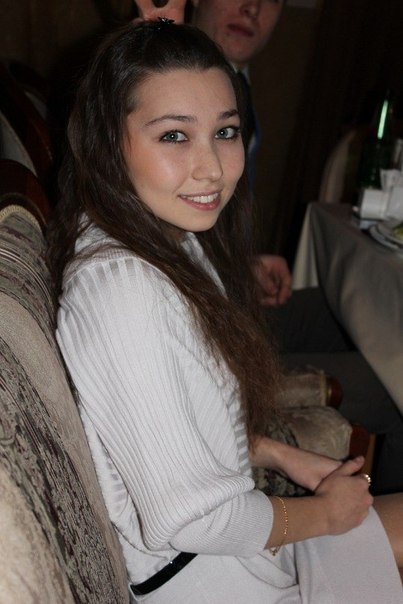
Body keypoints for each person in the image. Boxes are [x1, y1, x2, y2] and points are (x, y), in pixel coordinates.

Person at [47, 19, 403, 602]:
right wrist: (325, 514)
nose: (212, 167)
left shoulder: (163, 238)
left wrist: (284, 456)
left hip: (235, 547)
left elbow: (185, 422)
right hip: (211, 579)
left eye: (226, 131)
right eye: (174, 136)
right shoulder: (124, 290)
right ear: (109, 142)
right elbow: (190, 520)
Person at [137, 0, 403, 495]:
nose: (253, 7)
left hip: (228, 297)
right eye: (176, 134)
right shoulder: (147, 83)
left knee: (348, 308)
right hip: (208, 339)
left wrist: (244, 265)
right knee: (393, 387)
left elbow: (198, 232)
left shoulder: (238, 85)